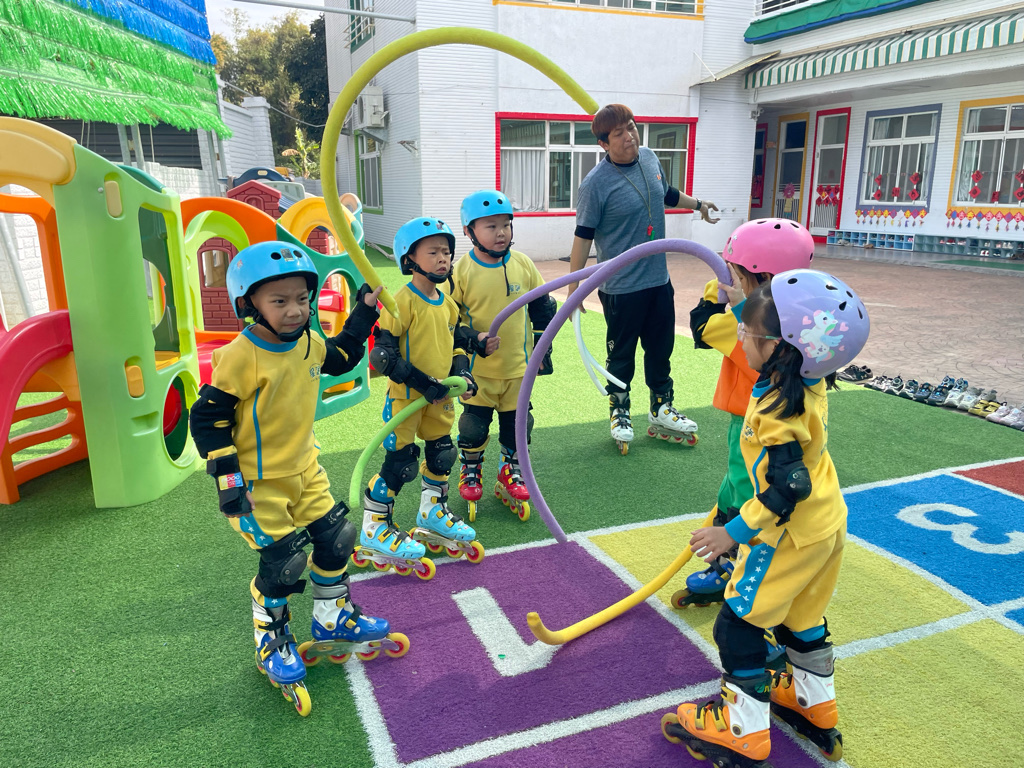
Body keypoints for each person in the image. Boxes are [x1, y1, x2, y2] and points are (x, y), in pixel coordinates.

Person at [660, 269, 870, 766]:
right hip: (826, 525)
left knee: (738, 625)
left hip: (787, 536)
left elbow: (788, 487)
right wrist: (744, 305)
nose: (740, 338)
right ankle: (814, 704)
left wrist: (731, 532)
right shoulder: (806, 380)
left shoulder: (777, 407)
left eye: (747, 332)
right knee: (802, 618)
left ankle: (742, 730)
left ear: (779, 346)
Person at [189, 240, 391, 715]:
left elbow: (342, 355)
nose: (295, 310)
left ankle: (331, 615)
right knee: (283, 564)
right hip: (259, 484)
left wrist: (364, 310)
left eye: (302, 298)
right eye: (279, 301)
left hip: (306, 469)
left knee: (337, 539)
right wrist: (229, 483)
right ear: (249, 304)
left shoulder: (307, 342)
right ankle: (271, 637)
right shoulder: (241, 356)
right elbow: (208, 418)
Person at [676, 219, 815, 608]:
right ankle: (731, 556)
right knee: (732, 488)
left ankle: (737, 565)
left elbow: (702, 327)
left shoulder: (754, 328)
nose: (727, 279)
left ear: (762, 279)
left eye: (734, 273)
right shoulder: (796, 320)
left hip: (754, 423)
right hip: (755, 419)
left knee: (743, 490)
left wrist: (721, 297)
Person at [566, 103, 720, 455]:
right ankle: (619, 411)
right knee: (621, 355)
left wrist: (698, 204)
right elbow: (583, 236)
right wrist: (575, 288)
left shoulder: (649, 158)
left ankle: (661, 407)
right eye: (619, 133)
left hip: (658, 280)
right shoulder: (594, 185)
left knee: (661, 349)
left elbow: (666, 194)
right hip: (621, 287)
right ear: (604, 144)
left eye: (632, 127)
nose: (629, 137)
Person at [359, 217, 483, 577]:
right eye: (433, 252)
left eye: (446, 252)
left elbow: (456, 344)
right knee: (402, 463)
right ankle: (374, 526)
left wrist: (462, 374)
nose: (443, 258)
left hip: (439, 398)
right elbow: (384, 355)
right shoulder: (402, 302)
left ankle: (432, 512)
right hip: (407, 399)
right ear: (409, 259)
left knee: (442, 454)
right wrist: (425, 384)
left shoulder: (448, 304)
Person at [450, 190, 557, 522]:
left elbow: (543, 308)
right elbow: (448, 321)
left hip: (517, 371)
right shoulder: (461, 271)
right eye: (491, 226)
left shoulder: (523, 264)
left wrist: (543, 348)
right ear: (469, 231)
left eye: (506, 225)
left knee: (518, 428)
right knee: (473, 427)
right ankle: (471, 468)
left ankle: (510, 469)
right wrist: (473, 342)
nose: (501, 233)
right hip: (479, 374)